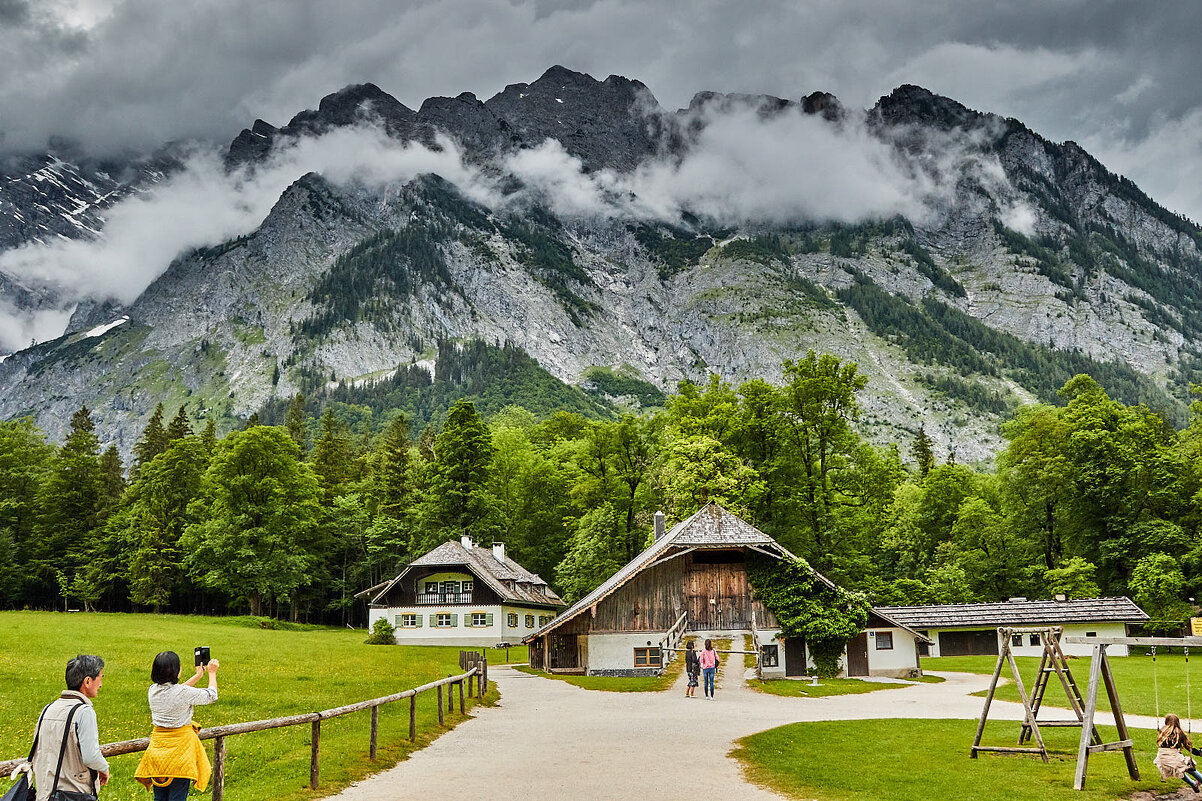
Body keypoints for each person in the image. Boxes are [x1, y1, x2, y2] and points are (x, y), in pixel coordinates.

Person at [134, 652, 220, 800]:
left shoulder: (152, 690)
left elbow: (175, 693)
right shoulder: (182, 693)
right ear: (175, 671)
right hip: (180, 754)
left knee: (160, 798)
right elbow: (211, 695)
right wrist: (212, 673)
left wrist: (198, 676)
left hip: (157, 754)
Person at [30, 654, 111, 801]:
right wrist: (104, 768)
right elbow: (91, 756)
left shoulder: (48, 709)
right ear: (87, 681)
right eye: (100, 677)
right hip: (72, 793)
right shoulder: (84, 712)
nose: (101, 684)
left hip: (45, 793)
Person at [1155, 713, 1202, 793]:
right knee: (1189, 768)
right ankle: (1198, 780)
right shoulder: (1180, 733)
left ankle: (1193, 784)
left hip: (1161, 759)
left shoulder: (1162, 731)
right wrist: (1199, 753)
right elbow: (1189, 748)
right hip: (1172, 758)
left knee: (1179, 770)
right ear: (1178, 722)